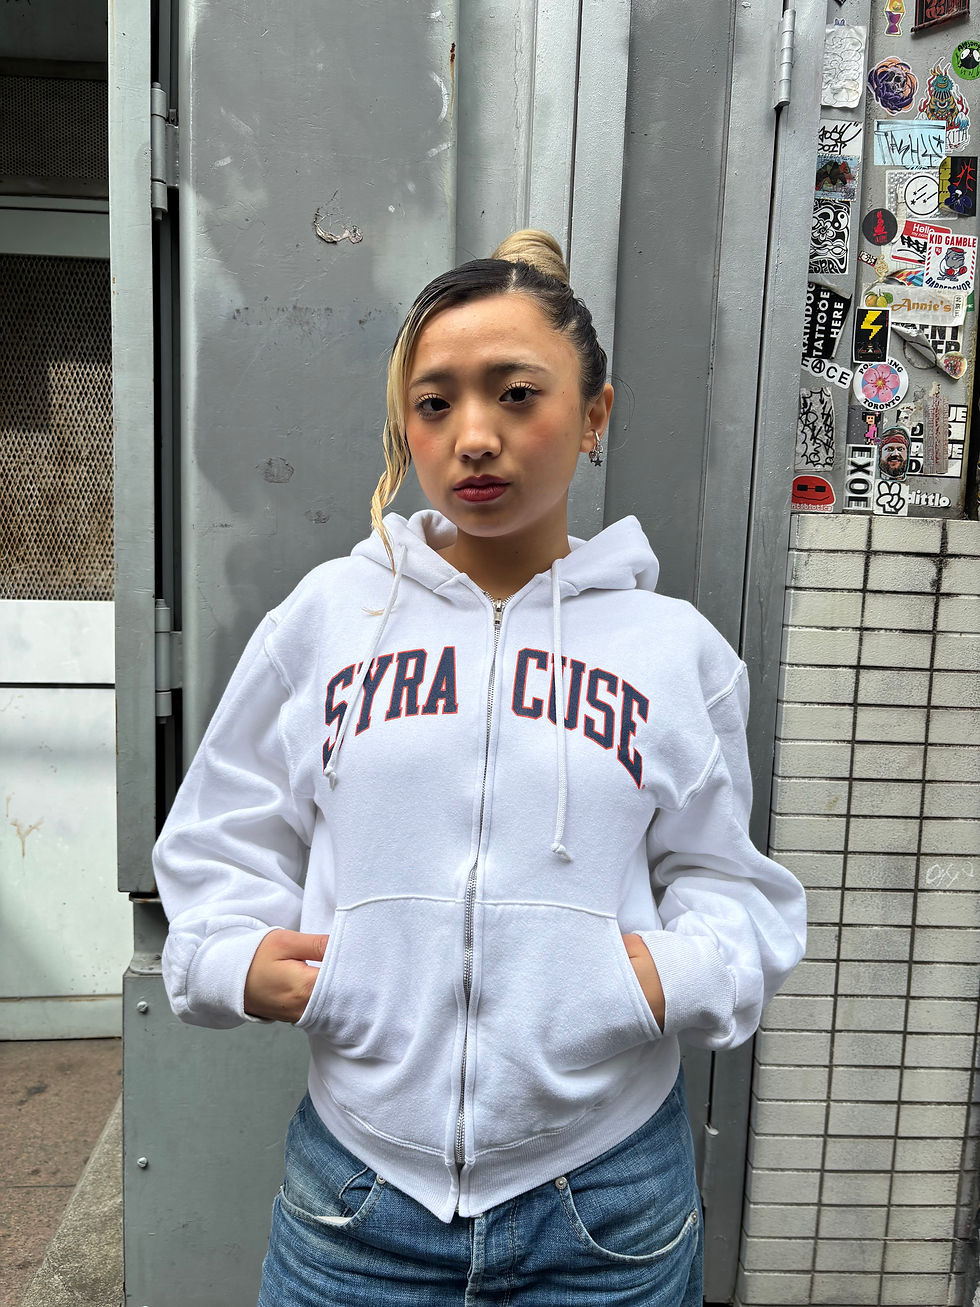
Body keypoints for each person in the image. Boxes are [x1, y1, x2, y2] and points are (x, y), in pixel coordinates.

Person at [153, 229, 807, 1306]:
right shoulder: (331, 617)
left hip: (605, 1198)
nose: (473, 437)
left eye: (516, 394)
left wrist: (660, 978)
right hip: (357, 1195)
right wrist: (231, 957)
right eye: (435, 403)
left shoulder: (672, 650)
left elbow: (727, 880)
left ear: (593, 415)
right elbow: (225, 829)